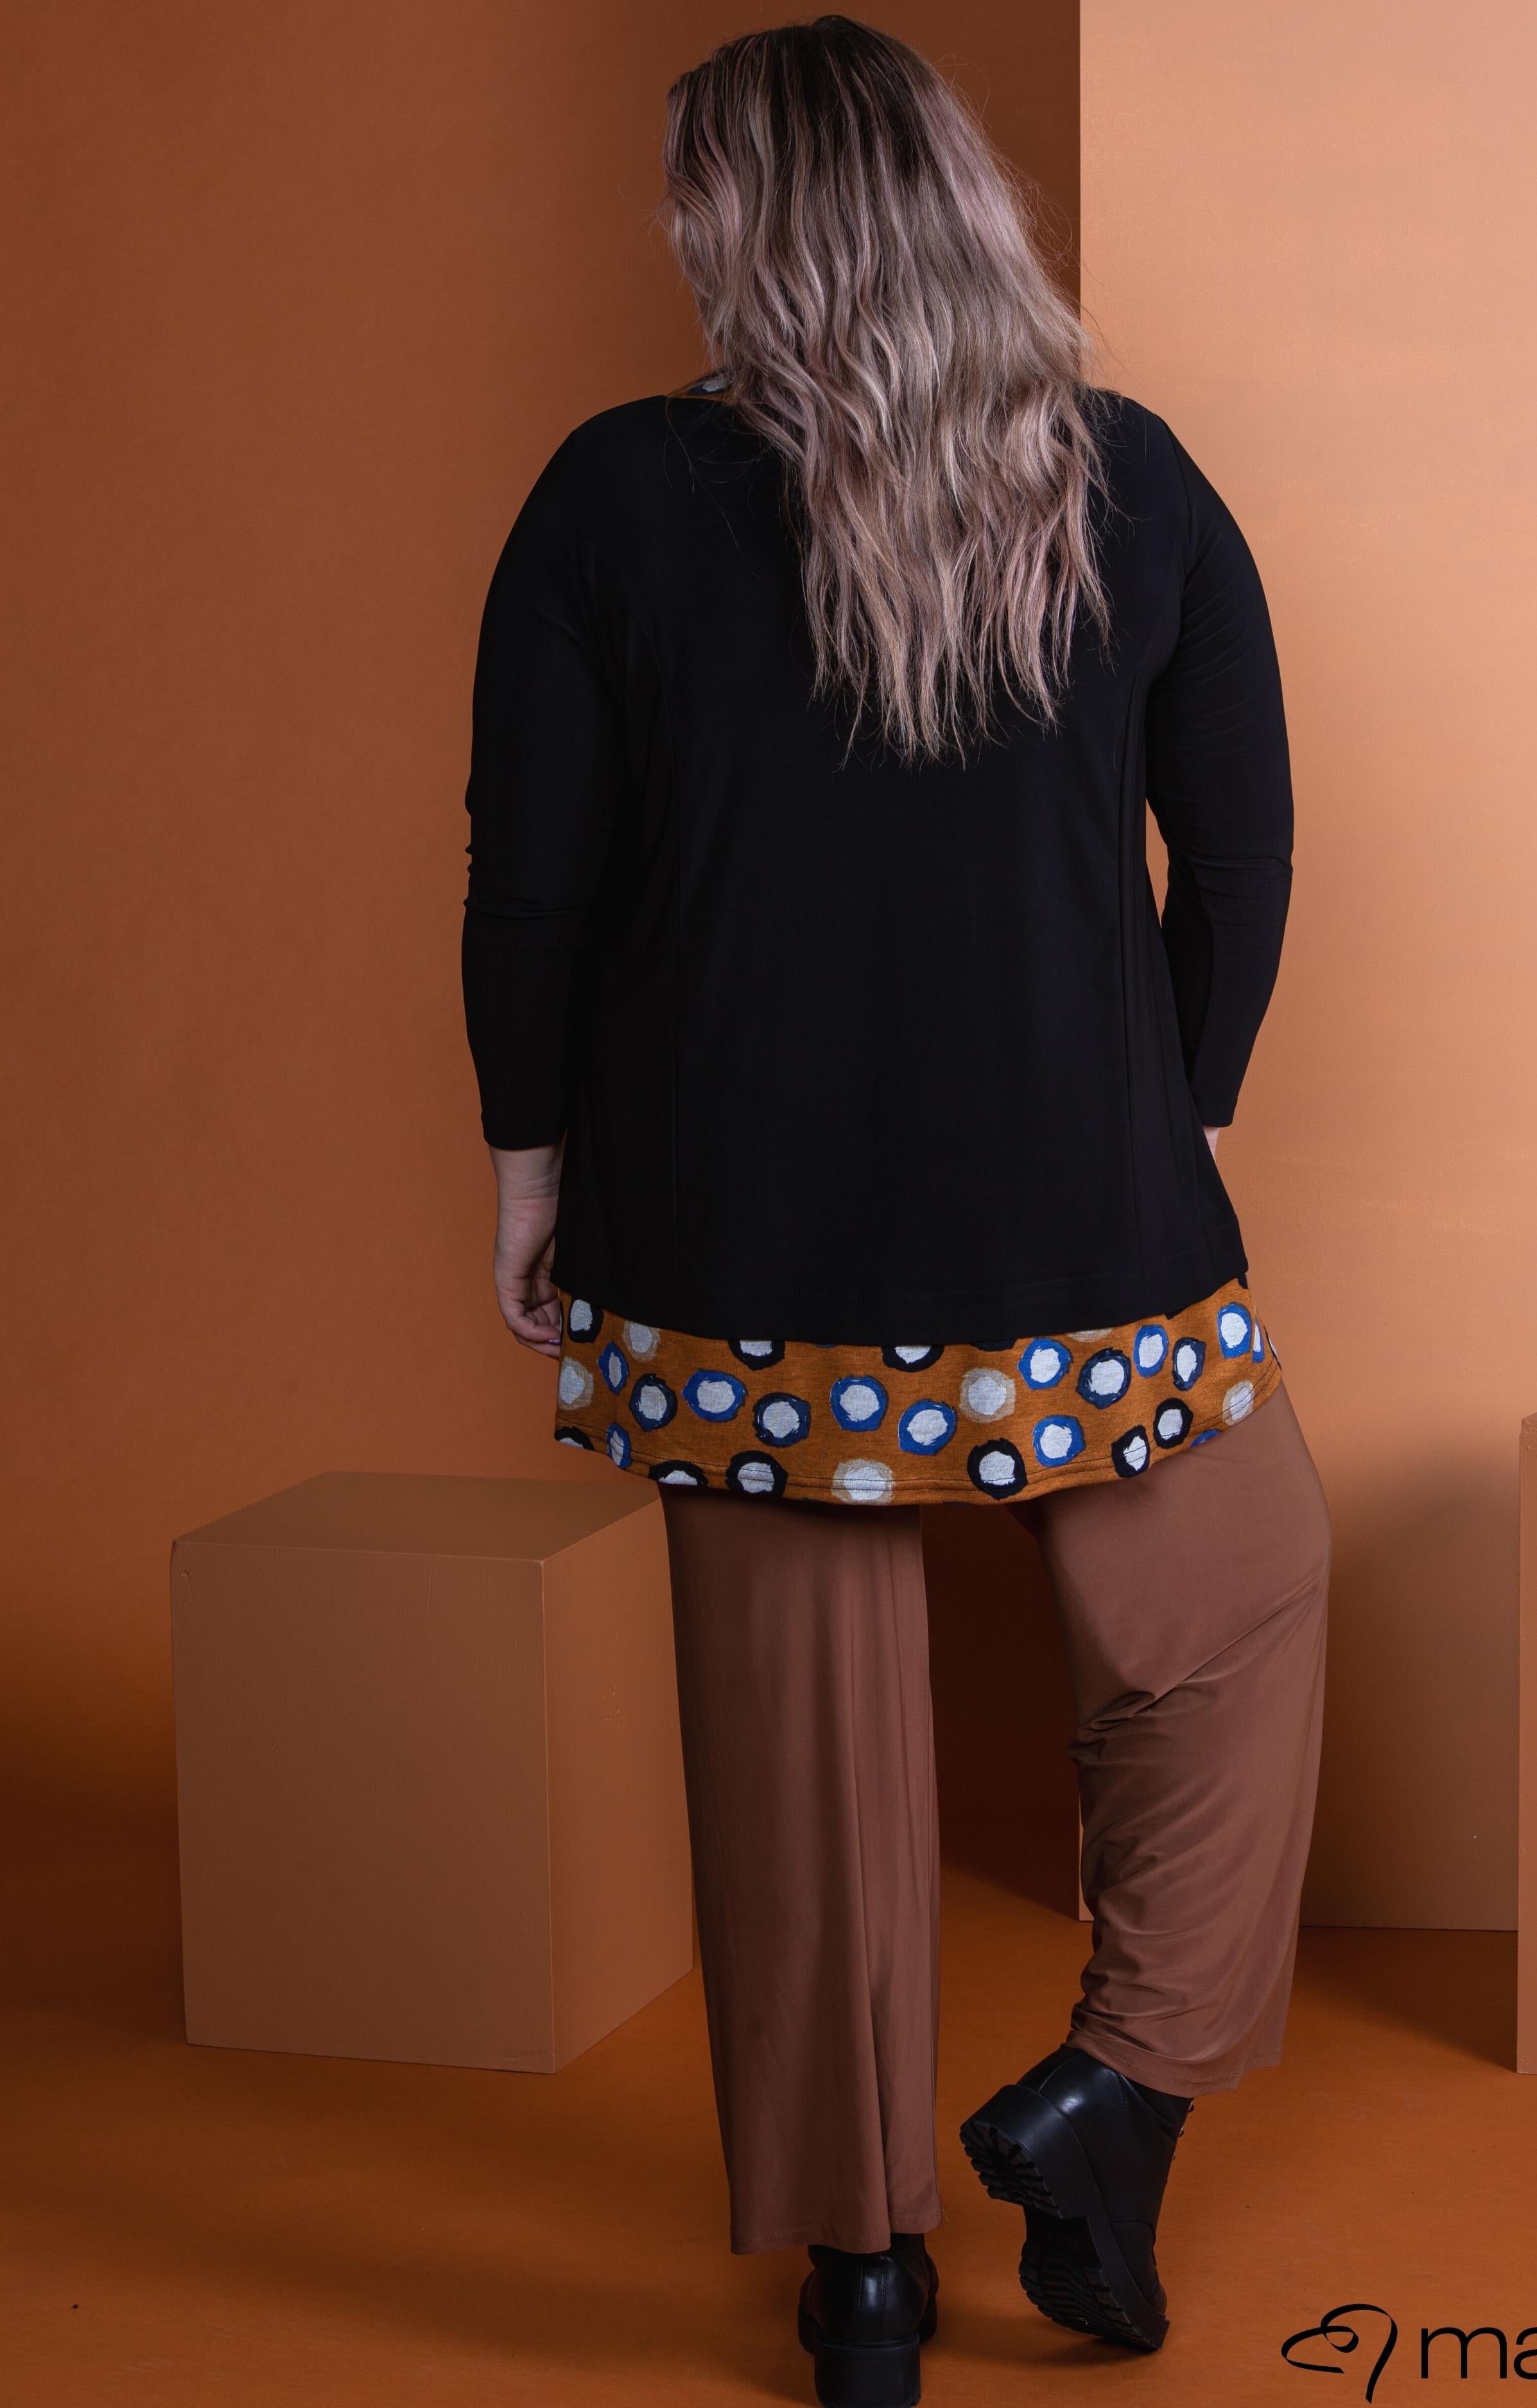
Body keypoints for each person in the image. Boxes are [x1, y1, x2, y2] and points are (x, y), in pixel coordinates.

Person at [461, 18, 1330, 2404]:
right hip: (1084, 1212)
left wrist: (529, 1166)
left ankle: (862, 2285)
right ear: (961, 203)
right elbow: (1243, 856)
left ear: (735, 225)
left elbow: (534, 886)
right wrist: (1173, 1110)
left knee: (802, 1760)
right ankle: (1118, 2086)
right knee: (1237, 1606)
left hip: (732, 1241)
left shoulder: (612, 496)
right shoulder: (1129, 480)